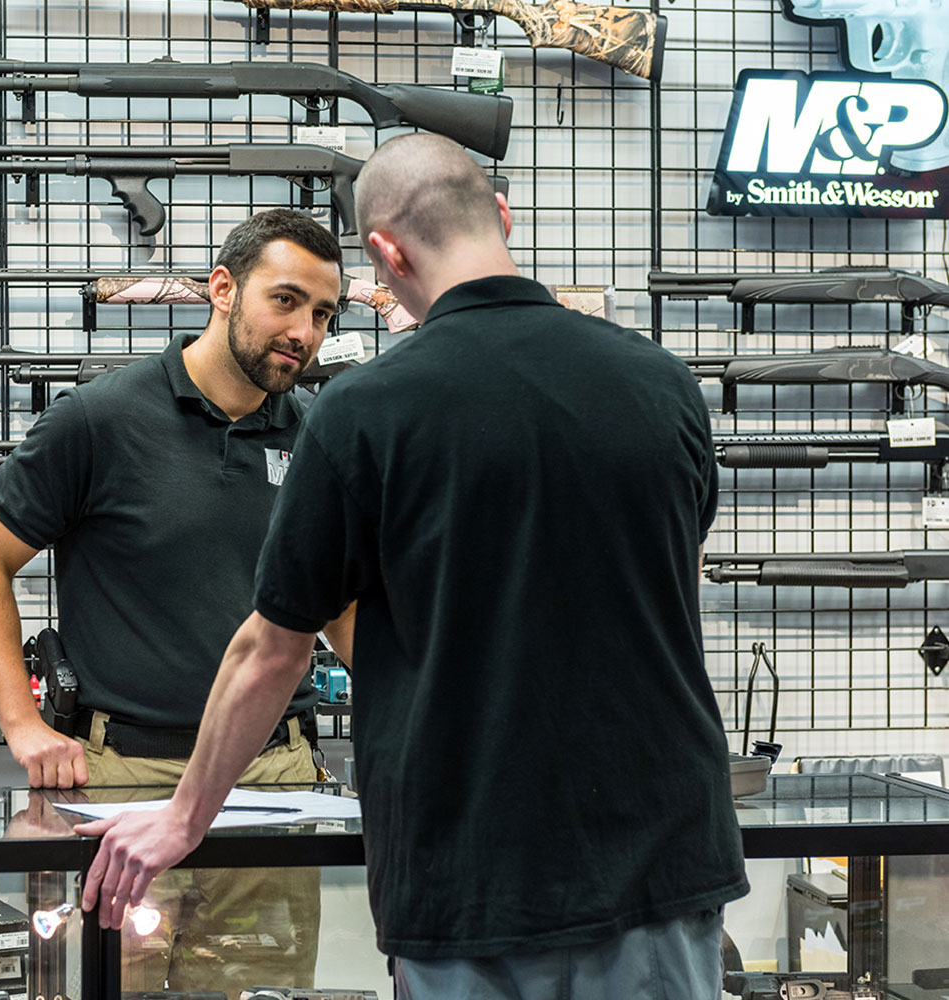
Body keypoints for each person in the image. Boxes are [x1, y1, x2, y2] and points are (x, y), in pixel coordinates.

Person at [76, 133, 749, 1000]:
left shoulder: (364, 413)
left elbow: (271, 650)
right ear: (500, 216)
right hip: (664, 860)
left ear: (385, 254)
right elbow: (670, 585)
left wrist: (182, 817)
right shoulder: (662, 385)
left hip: (469, 874)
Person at [0, 207, 355, 996]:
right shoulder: (100, 418)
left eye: (323, 313)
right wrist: (22, 726)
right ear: (222, 289)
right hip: (122, 776)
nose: (304, 332)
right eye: (286, 301)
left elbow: (336, 607)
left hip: (272, 780)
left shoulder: (318, 440)